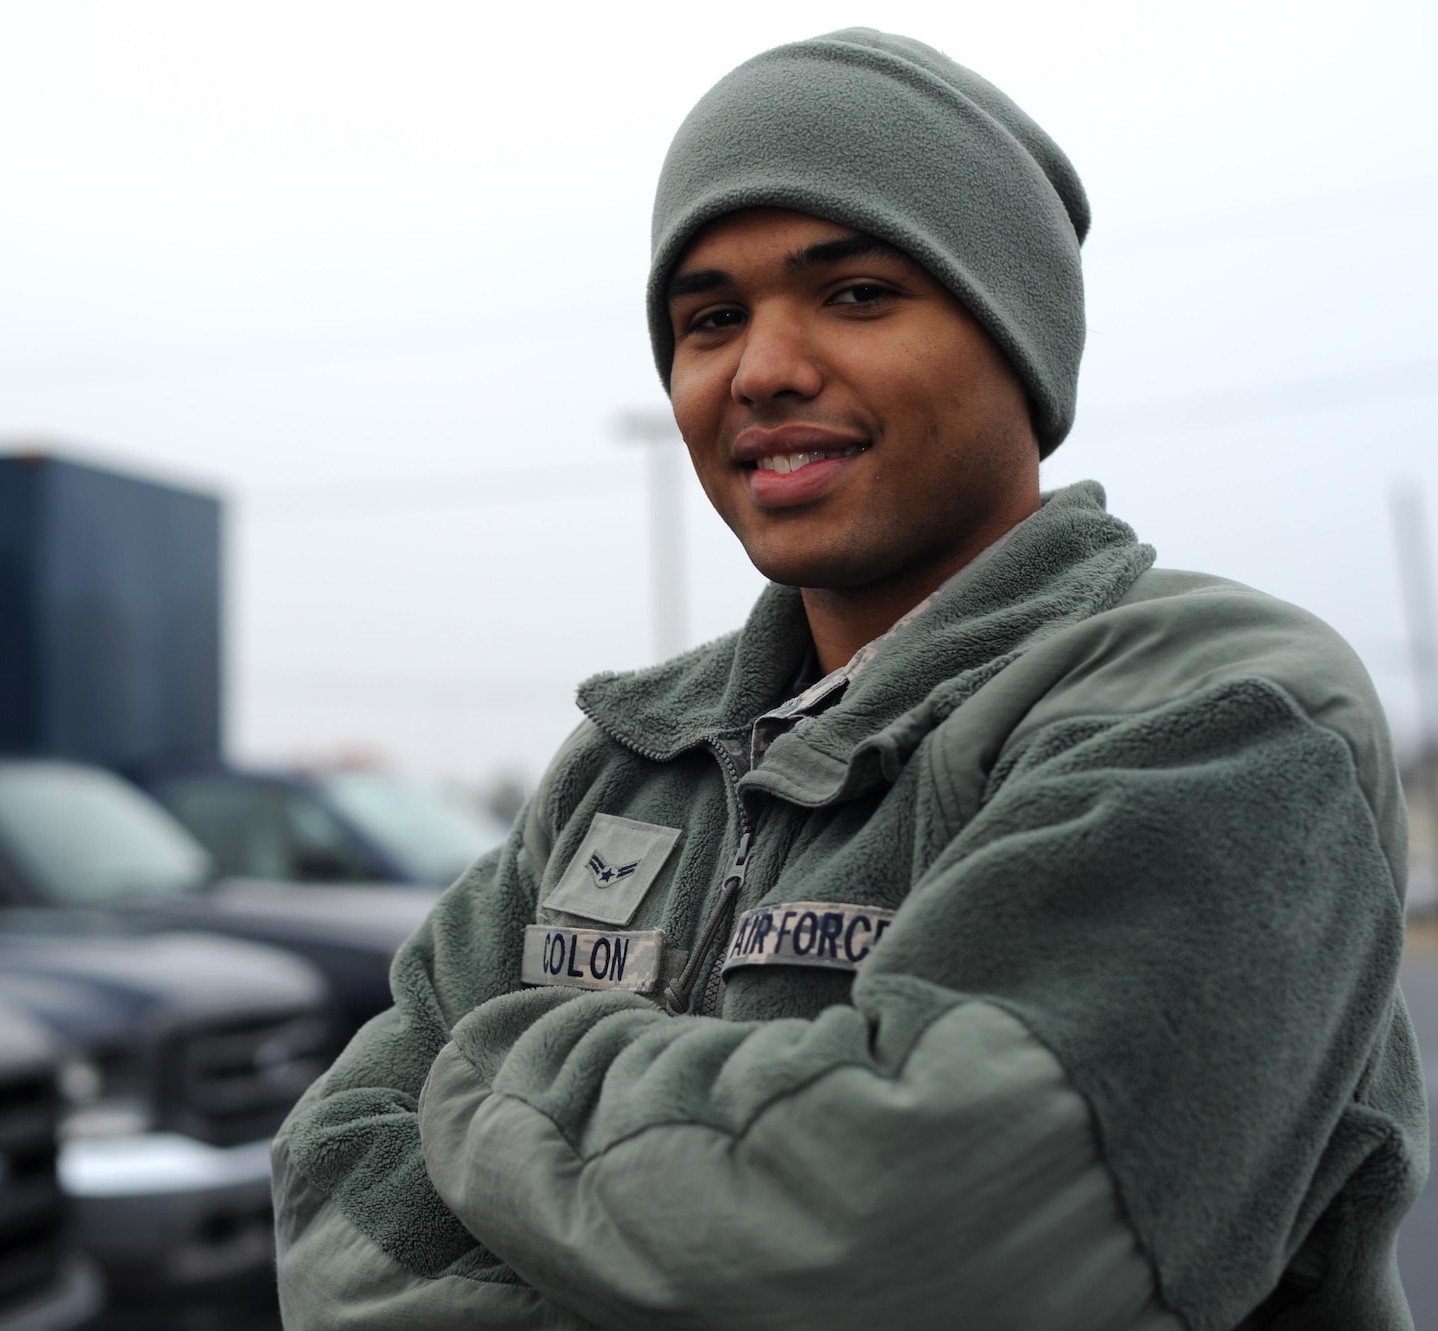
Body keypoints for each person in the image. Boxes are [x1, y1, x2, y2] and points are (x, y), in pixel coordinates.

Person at [271, 28, 1428, 1330]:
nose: (760, 369)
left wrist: (482, 1071)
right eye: (710, 319)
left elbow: (926, 1242)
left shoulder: (1219, 711)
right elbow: (333, 1195)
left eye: (859, 293)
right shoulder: (629, 762)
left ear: (1018, 341)